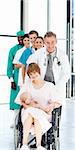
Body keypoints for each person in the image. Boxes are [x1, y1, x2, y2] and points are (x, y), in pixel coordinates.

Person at [15, 63, 62, 150]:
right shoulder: (27, 85)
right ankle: (26, 144)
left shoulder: (49, 86)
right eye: (31, 74)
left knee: (36, 116)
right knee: (31, 114)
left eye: (35, 73)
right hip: (28, 112)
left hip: (44, 113)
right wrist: (27, 106)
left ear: (39, 72)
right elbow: (18, 100)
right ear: (29, 75)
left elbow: (58, 101)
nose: (33, 76)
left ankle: (37, 145)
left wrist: (51, 105)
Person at [26, 31, 70, 102]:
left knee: (55, 108)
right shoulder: (39, 53)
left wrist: (57, 86)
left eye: (52, 42)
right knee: (42, 109)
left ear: (56, 41)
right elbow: (29, 64)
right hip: (42, 85)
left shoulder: (62, 55)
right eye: (47, 43)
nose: (50, 45)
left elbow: (66, 73)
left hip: (57, 86)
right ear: (44, 42)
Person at [7, 30, 25, 127]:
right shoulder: (13, 50)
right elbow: (9, 66)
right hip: (16, 77)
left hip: (26, 76)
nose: (21, 40)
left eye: (22, 38)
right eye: (19, 38)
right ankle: (15, 120)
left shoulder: (28, 49)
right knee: (15, 99)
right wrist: (12, 80)